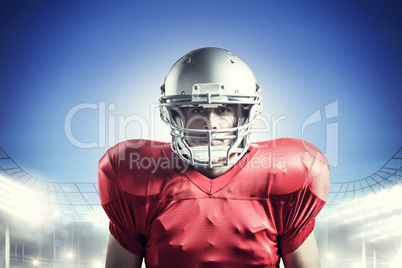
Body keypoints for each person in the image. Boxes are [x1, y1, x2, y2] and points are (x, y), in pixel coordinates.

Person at [98, 47, 330, 267]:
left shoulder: (287, 175)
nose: (210, 124)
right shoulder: (135, 176)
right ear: (174, 115)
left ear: (245, 114)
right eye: (197, 110)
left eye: (223, 109)